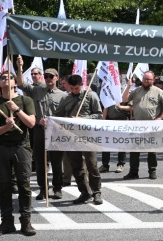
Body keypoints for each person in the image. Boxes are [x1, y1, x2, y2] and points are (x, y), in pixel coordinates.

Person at [0, 73, 37, 236]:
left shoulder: (25, 100)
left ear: (15, 82)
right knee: (4, 185)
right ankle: (7, 222)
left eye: (9, 77)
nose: (6, 79)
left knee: (24, 184)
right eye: (2, 78)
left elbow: (31, 123)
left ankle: (26, 221)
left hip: (21, 147)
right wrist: (7, 127)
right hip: (1, 147)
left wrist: (17, 109)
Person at [16, 59, 66, 200]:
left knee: (56, 161)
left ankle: (57, 188)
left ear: (57, 78)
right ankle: (43, 189)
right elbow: (20, 84)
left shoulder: (63, 96)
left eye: (51, 76)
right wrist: (20, 67)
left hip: (55, 132)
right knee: (40, 161)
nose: (49, 78)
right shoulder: (37, 90)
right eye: (47, 76)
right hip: (39, 130)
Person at [54, 74, 104, 204]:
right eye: (72, 88)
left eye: (76, 88)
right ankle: (84, 191)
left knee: (92, 166)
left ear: (81, 85)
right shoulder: (66, 98)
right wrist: (48, 120)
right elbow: (58, 115)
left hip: (88, 136)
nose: (74, 90)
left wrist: (83, 119)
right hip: (71, 137)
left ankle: (97, 192)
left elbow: (99, 115)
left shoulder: (91, 96)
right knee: (76, 166)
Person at [121, 71, 163, 180]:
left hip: (151, 125)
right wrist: (128, 86)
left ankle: (152, 171)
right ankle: (133, 172)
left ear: (153, 80)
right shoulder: (136, 90)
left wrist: (160, 117)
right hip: (137, 125)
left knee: (152, 150)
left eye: (148, 79)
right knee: (134, 150)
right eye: (144, 78)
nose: (146, 81)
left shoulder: (158, 92)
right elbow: (124, 99)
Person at [100, 101, 130, 173]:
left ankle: (120, 164)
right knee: (106, 143)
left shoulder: (125, 92)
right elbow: (106, 107)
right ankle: (105, 165)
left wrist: (120, 107)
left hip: (122, 121)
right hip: (110, 120)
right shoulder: (108, 92)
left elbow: (131, 107)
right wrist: (103, 120)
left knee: (121, 143)